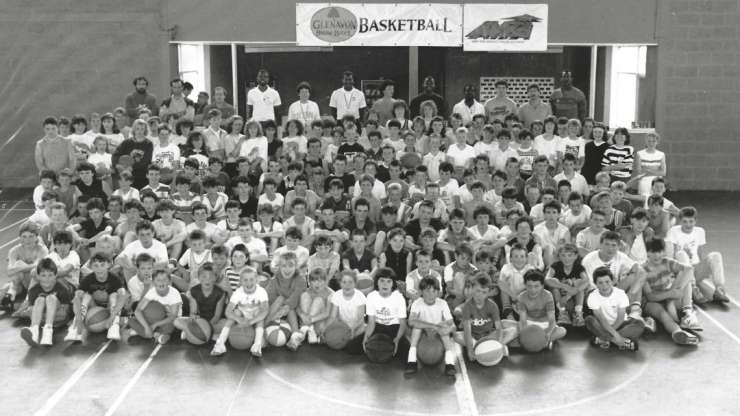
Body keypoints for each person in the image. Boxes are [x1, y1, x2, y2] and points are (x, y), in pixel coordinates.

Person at [641, 239, 701, 345]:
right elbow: (650, 296)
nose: (657, 255)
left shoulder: (667, 262)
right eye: (653, 252)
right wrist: (670, 294)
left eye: (659, 251)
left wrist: (673, 291)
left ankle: (687, 312)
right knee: (662, 314)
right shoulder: (643, 270)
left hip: (669, 297)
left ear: (664, 252)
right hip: (652, 302)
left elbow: (689, 269)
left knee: (686, 280)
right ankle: (677, 332)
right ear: (647, 253)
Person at [666, 206, 730, 304]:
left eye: (691, 221)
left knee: (715, 255)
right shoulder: (673, 231)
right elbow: (670, 256)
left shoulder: (700, 231)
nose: (688, 225)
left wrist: (704, 267)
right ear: (680, 221)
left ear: (695, 221)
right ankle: (693, 289)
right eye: (685, 221)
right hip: (681, 272)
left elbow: (700, 253)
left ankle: (719, 290)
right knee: (681, 253)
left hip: (695, 270)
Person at [65, 252, 127, 342]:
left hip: (110, 309)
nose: (99, 269)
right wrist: (78, 318)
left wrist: (112, 317)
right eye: (96, 265)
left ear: (109, 265)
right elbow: (77, 298)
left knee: (115, 295)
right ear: (91, 266)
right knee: (84, 296)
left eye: (102, 265)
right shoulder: (88, 279)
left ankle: (114, 325)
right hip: (93, 308)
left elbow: (123, 296)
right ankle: (75, 328)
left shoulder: (114, 279)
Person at [405, 277, 457, 376]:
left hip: (438, 330)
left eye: (434, 291)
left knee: (445, 331)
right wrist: (433, 326)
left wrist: (443, 326)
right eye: (427, 291)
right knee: (416, 328)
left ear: (438, 292)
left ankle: (449, 363)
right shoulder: (417, 303)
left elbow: (450, 321)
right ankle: (411, 361)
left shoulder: (442, 303)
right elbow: (411, 321)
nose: (431, 294)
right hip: (423, 331)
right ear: (421, 292)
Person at [211, 266, 268, 356]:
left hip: (255, 316)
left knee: (259, 314)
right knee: (236, 312)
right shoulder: (238, 292)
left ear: (257, 280)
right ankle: (220, 344)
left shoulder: (261, 291)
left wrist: (251, 322)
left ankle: (257, 345)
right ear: (241, 282)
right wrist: (239, 319)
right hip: (242, 314)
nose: (248, 282)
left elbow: (265, 311)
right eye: (245, 280)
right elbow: (228, 311)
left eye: (251, 279)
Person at [585, 266, 644, 350]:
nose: (604, 286)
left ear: (612, 281)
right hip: (603, 325)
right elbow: (602, 319)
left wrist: (614, 334)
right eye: (600, 283)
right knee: (589, 320)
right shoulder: (593, 296)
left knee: (640, 324)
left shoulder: (620, 294)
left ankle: (603, 339)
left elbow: (620, 318)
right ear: (595, 284)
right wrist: (617, 337)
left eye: (607, 282)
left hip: (621, 324)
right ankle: (622, 342)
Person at [122, 269, 181, 345]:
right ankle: (155, 334)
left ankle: (150, 333)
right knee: (131, 320)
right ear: (153, 282)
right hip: (152, 320)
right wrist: (147, 327)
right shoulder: (152, 292)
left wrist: (155, 325)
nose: (161, 282)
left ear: (169, 282)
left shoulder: (174, 293)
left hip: (167, 320)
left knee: (172, 325)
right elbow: (138, 310)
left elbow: (173, 316)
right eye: (158, 280)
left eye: (164, 280)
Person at [0, 223, 49, 313]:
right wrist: (22, 267)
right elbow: (9, 272)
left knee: (29, 269)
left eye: (31, 236)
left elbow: (38, 268)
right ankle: (10, 296)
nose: (27, 240)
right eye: (24, 237)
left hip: (37, 283)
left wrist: (20, 267)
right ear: (20, 237)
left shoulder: (42, 250)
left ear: (36, 237)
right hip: (20, 283)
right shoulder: (14, 250)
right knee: (4, 289)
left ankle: (18, 297)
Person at [363, 268, 408, 360]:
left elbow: (403, 324)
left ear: (393, 284)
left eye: (388, 281)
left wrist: (397, 339)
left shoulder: (399, 298)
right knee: (352, 347)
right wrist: (366, 337)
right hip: (378, 327)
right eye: (382, 281)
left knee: (407, 352)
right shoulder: (371, 296)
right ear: (377, 282)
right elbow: (371, 322)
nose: (385, 284)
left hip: (394, 328)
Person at [517, 270, 567, 348]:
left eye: (536, 286)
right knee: (506, 323)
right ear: (525, 285)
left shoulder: (548, 295)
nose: (533, 290)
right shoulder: (521, 297)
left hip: (544, 324)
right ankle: (543, 343)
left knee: (562, 331)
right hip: (529, 324)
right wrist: (525, 334)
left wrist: (548, 332)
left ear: (542, 286)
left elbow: (552, 321)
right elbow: (523, 320)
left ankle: (538, 342)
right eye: (529, 286)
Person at [328, 270, 367, 352]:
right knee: (333, 340)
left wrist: (352, 330)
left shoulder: (360, 296)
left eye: (350, 282)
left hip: (357, 326)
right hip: (343, 326)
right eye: (344, 282)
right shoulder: (337, 295)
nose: (347, 285)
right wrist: (327, 329)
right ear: (340, 283)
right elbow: (333, 316)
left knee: (353, 347)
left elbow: (360, 319)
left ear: (355, 284)